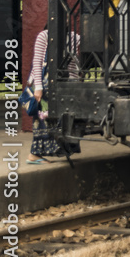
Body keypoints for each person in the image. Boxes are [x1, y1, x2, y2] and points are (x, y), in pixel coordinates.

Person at [27, 28, 81, 164]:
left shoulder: (75, 38)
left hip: (65, 83)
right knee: (43, 120)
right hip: (45, 84)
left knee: (61, 119)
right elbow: (37, 62)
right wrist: (38, 87)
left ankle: (59, 149)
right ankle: (34, 154)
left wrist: (75, 82)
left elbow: (74, 64)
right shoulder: (44, 35)